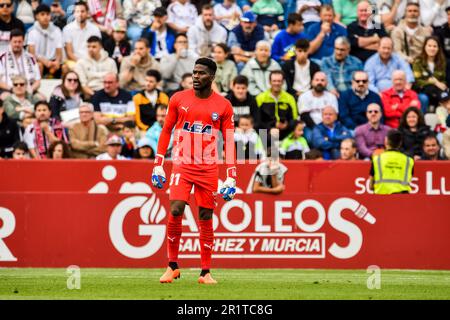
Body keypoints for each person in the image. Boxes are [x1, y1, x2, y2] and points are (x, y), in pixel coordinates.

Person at [151, 57, 237, 285]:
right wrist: (158, 163)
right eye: (194, 72)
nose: (196, 77)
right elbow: (166, 130)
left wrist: (231, 176)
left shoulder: (224, 106)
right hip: (182, 164)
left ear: (212, 77)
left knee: (205, 216)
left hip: (208, 169)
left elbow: (229, 141)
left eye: (201, 73)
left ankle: (205, 272)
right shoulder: (178, 99)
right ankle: (172, 266)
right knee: (176, 208)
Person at [369, 129, 414, 194]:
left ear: (386, 141)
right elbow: (409, 180)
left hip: (381, 199)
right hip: (403, 199)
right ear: (400, 143)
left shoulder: (377, 159)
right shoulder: (409, 160)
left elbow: (371, 186)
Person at [256, 70, 297, 140]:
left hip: (285, 130)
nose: (277, 83)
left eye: (279, 81)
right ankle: (272, 149)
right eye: (274, 81)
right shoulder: (260, 98)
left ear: (283, 82)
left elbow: (294, 118)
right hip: (266, 130)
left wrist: (287, 125)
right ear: (270, 82)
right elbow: (257, 120)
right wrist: (270, 128)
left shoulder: (290, 98)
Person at [298, 71, 339, 142]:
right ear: (312, 82)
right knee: (311, 138)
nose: (319, 82)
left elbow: (335, 115)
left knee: (335, 138)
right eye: (317, 80)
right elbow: (304, 116)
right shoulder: (304, 96)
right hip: (309, 126)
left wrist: (325, 128)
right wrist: (318, 130)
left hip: (328, 126)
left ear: (326, 83)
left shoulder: (331, 97)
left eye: (322, 80)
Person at [0, 29, 41, 98]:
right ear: (10, 42)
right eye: (15, 42)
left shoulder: (31, 58)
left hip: (28, 90)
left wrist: (31, 89)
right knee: (5, 97)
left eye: (19, 42)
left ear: (23, 42)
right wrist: (12, 89)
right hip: (8, 90)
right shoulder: (2, 57)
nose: (17, 44)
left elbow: (38, 80)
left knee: (41, 98)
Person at [62, 1, 101, 73]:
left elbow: (98, 49)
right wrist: (82, 63)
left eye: (82, 11)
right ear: (74, 13)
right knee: (65, 67)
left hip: (91, 60)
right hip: (74, 61)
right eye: (77, 11)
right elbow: (69, 53)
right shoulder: (67, 29)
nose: (80, 14)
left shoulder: (94, 29)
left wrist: (88, 62)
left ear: (87, 13)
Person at [26, 4, 63, 78]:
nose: (45, 17)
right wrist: (44, 61)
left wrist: (57, 61)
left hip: (53, 61)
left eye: (48, 14)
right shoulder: (32, 31)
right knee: (39, 65)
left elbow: (59, 50)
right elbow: (32, 53)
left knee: (64, 67)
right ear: (37, 16)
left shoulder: (56, 30)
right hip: (38, 60)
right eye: (42, 14)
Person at [412, 36, 448, 110]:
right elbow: (417, 81)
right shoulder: (418, 61)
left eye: (435, 46)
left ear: (438, 48)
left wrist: (441, 84)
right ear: (425, 47)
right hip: (422, 91)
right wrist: (434, 82)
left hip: (438, 91)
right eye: (429, 46)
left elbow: (444, 79)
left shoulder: (442, 62)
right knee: (424, 98)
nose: (432, 48)